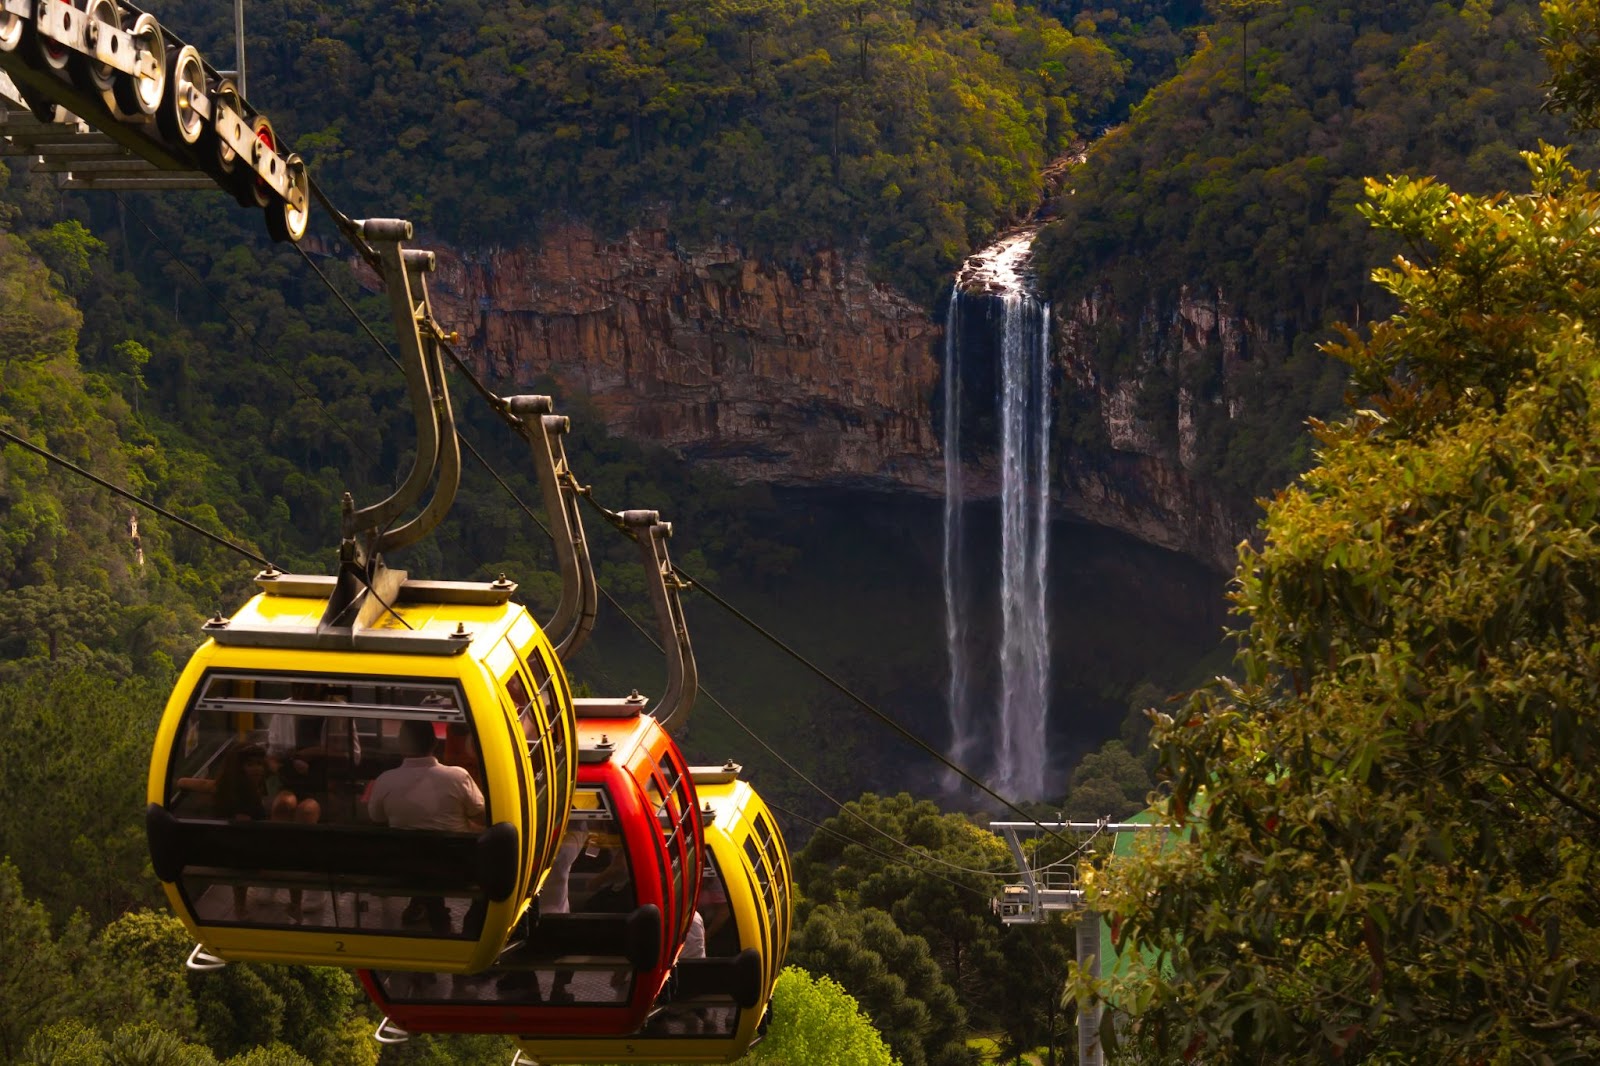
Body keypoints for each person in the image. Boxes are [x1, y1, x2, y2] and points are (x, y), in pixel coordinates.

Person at [368, 720, 485, 933]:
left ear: (401, 744)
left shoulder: (385, 780)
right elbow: (482, 815)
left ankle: (427, 907)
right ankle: (452, 917)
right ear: (434, 743)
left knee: (420, 852)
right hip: (456, 868)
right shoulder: (457, 777)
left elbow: (376, 818)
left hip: (406, 868)